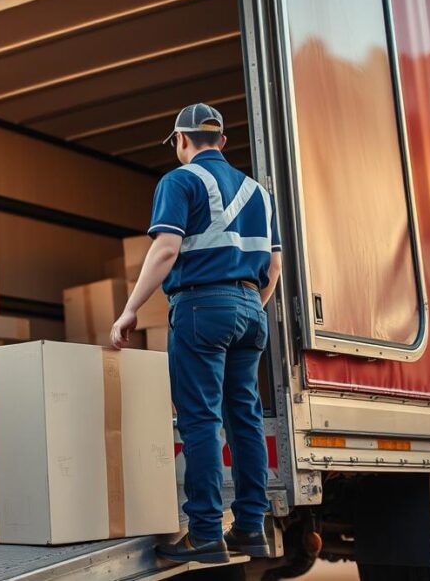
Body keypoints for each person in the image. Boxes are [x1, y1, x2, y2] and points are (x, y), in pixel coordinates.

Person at [110, 103, 282, 564]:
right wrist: (248, 306)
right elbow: (274, 266)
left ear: (181, 140)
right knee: (244, 417)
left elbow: (166, 250)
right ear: (222, 141)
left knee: (201, 418)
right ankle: (251, 528)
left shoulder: (179, 181)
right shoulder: (260, 194)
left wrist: (130, 309)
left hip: (202, 307)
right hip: (252, 309)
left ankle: (205, 534)